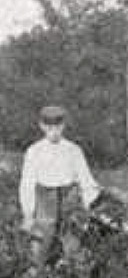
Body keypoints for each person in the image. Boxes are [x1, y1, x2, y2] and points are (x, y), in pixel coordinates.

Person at [19, 105, 102, 269]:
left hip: (69, 199)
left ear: (63, 126)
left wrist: (89, 205)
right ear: (41, 126)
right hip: (44, 200)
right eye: (49, 127)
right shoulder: (34, 151)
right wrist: (28, 213)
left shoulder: (73, 150)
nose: (54, 131)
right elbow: (27, 184)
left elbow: (86, 180)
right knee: (40, 244)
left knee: (73, 244)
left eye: (58, 127)